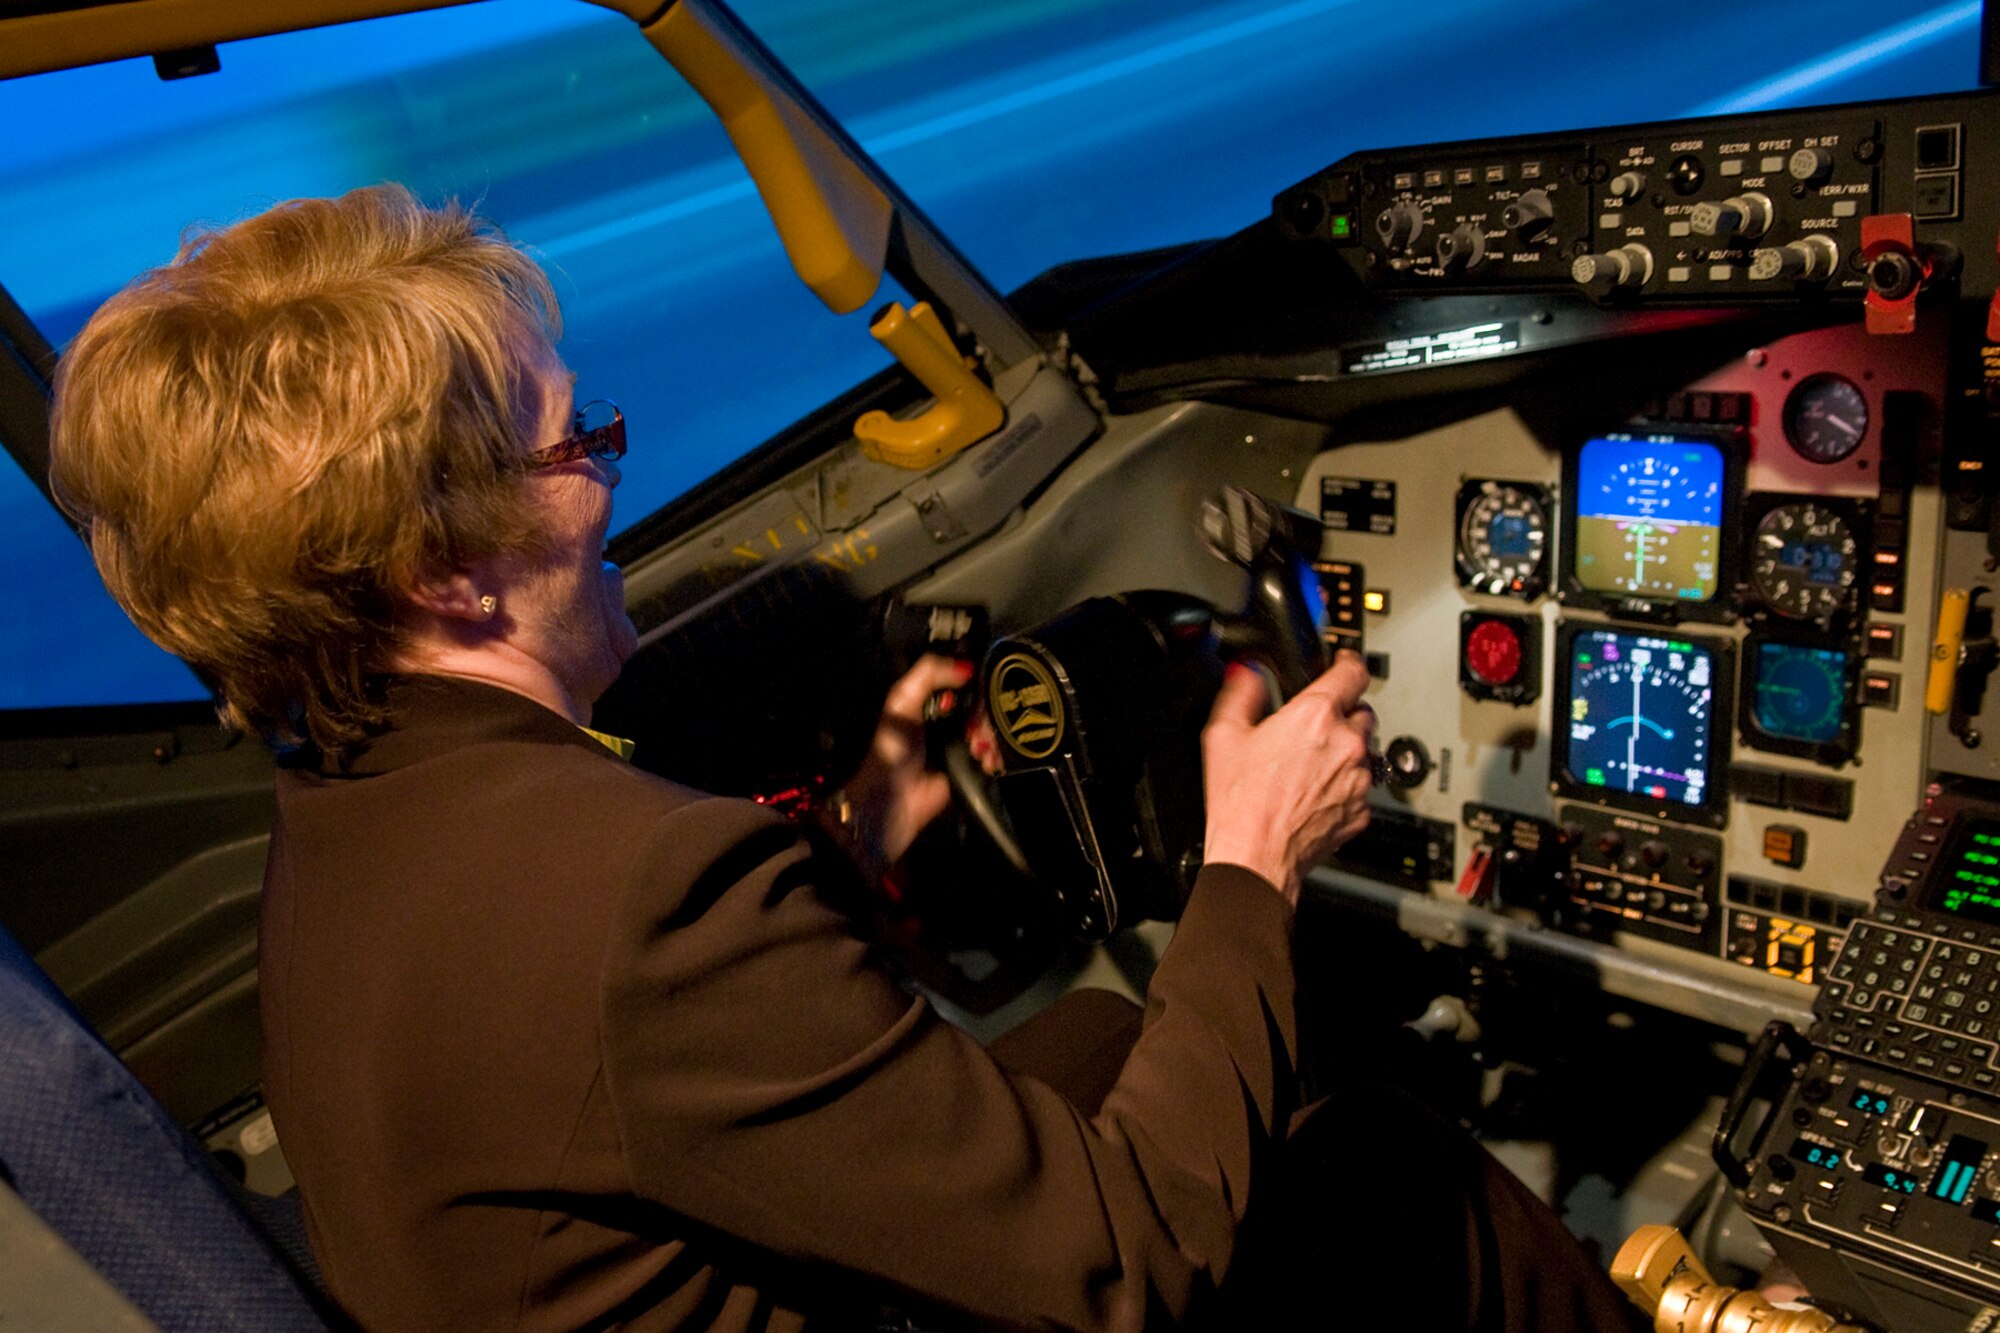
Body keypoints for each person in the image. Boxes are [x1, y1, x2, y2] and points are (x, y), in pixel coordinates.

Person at [47, 185, 1643, 1332]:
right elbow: (1135, 1261)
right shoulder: (648, 891)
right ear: (444, 571)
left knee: (1092, 1039)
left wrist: (855, 850)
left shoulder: (347, 801)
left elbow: (612, 1057)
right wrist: (1252, 857)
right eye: (572, 443)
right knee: (1376, 1172)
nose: (612, 472)